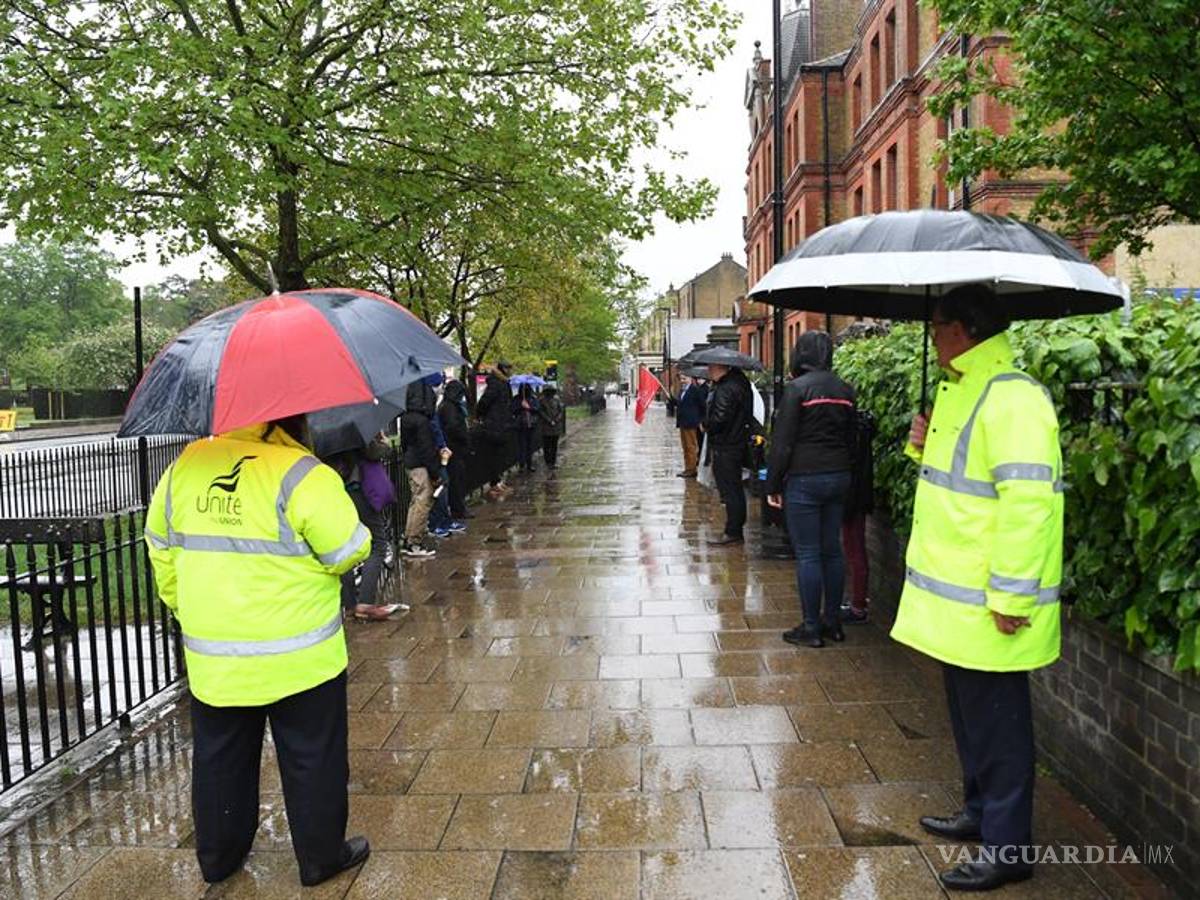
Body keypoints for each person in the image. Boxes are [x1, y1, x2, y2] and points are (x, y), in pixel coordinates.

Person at [144, 415, 371, 887]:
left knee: (219, 758)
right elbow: (347, 550)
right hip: (302, 659)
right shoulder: (302, 473)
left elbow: (161, 549)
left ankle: (219, 857)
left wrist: (187, 608)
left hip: (217, 658)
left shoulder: (184, 468)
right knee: (313, 758)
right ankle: (320, 858)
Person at [893, 284, 1063, 892]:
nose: (934, 336)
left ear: (965, 328)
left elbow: (1029, 504)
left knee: (1000, 727)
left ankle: (1009, 848)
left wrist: (1014, 596)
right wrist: (921, 446)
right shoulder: (964, 389)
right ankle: (978, 812)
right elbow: (963, 488)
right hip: (959, 604)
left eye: (938, 325)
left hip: (992, 605)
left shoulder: (1011, 397)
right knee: (971, 721)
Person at [765, 331, 856, 648]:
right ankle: (833, 621)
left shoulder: (797, 390)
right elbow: (851, 439)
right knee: (832, 549)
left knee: (807, 553)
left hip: (805, 478)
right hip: (839, 476)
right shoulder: (846, 390)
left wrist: (773, 483)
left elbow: (783, 442)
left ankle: (811, 626)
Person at [326, 433, 402, 621]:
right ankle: (365, 602)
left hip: (336, 491)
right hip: (358, 489)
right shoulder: (352, 425)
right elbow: (373, 452)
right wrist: (384, 443)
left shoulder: (321, 432)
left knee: (345, 546)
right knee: (378, 544)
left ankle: (350, 604)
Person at [703, 361, 753, 545]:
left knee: (730, 489)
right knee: (735, 488)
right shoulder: (741, 383)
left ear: (721, 367)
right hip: (737, 441)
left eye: (711, 367)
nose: (708, 370)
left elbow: (720, 418)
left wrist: (706, 424)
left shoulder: (726, 387)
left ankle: (733, 531)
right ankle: (735, 528)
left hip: (726, 445)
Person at [841, 408, 877, 624]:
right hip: (860, 493)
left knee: (854, 549)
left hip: (850, 496)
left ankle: (858, 606)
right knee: (855, 549)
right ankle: (858, 601)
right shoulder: (862, 426)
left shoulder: (850, 430)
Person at [400, 378, 441, 557]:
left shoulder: (407, 418)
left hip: (411, 462)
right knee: (422, 502)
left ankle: (409, 537)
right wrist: (435, 472)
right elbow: (426, 450)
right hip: (420, 464)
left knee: (415, 501)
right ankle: (414, 542)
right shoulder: (422, 421)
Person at [476, 361, 515, 498]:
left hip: (500, 424)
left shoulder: (503, 383)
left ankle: (498, 482)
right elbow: (485, 402)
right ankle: (495, 483)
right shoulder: (497, 384)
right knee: (494, 456)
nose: (510, 370)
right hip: (495, 426)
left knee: (499, 456)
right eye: (508, 368)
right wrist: (480, 414)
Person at [438, 379, 473, 524]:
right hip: (455, 449)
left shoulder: (448, 406)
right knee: (456, 480)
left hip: (455, 448)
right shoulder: (450, 407)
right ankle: (458, 509)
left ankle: (458, 507)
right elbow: (453, 427)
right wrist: (463, 436)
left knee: (458, 479)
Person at [675, 374, 708, 478]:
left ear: (690, 379)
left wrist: (701, 421)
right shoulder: (682, 391)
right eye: (681, 379)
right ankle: (687, 467)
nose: (682, 381)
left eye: (684, 378)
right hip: (683, 422)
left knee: (691, 446)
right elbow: (680, 405)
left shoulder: (695, 390)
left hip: (691, 422)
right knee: (685, 447)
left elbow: (703, 406)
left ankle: (691, 469)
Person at [512, 382, 539, 472]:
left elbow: (537, 409)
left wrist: (529, 407)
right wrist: (521, 407)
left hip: (531, 424)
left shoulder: (533, 398)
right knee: (521, 446)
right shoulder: (517, 399)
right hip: (520, 425)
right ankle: (521, 464)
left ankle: (529, 464)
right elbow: (513, 410)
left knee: (529, 446)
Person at [537, 385, 566, 469]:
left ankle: (553, 462)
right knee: (546, 445)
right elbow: (541, 412)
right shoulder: (541, 401)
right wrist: (549, 420)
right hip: (546, 427)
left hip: (555, 427)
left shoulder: (556, 400)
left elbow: (560, 411)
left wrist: (556, 420)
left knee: (554, 445)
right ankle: (548, 461)